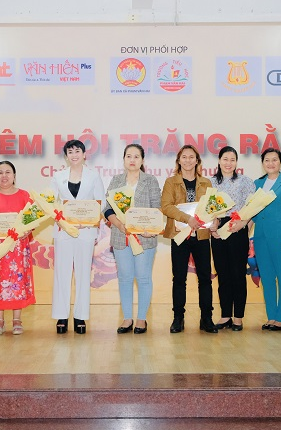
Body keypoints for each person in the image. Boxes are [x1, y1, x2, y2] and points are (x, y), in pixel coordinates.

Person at [104, 144, 161, 334]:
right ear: (123, 159)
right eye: (129, 156)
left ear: (142, 160)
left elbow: (157, 208)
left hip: (145, 237)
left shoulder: (150, 180)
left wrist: (150, 228)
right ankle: (127, 318)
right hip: (121, 237)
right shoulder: (116, 180)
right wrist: (119, 224)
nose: (132, 160)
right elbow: (107, 208)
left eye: (136, 156)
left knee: (143, 278)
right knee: (125, 278)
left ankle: (141, 319)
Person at [161, 145, 218, 334]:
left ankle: (206, 318)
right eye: (184, 157)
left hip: (201, 236)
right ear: (178, 160)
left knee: (205, 279)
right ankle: (178, 318)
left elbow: (212, 208)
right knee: (179, 279)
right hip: (180, 236)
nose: (187, 160)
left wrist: (215, 220)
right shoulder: (171, 182)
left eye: (191, 157)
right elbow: (166, 206)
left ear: (197, 161)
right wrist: (188, 219)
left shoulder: (206, 183)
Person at [51, 140, 105, 335]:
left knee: (83, 274)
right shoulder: (57, 176)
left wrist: (87, 220)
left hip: (86, 231)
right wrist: (61, 219)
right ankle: (61, 316)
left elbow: (101, 202)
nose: (74, 155)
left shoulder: (93, 176)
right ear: (66, 156)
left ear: (84, 154)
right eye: (70, 152)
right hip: (63, 231)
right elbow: (51, 203)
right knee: (62, 274)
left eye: (77, 151)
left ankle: (80, 316)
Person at [0, 161, 36, 335]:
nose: (4, 176)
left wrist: (27, 231)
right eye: (0, 172)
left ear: (14, 175)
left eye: (8, 172)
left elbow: (32, 219)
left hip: (18, 248)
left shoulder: (25, 196)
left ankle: (17, 320)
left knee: (18, 281)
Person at [252, 148, 281, 331]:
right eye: (267, 160)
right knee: (267, 277)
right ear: (262, 163)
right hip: (261, 237)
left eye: (274, 160)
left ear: (280, 162)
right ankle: (271, 316)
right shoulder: (257, 183)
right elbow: (252, 213)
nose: (270, 163)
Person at [209, 146, 256, 331]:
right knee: (223, 274)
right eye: (225, 159)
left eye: (232, 160)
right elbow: (206, 209)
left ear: (236, 162)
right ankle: (225, 315)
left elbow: (252, 208)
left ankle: (238, 317)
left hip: (238, 228)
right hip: (218, 230)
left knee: (238, 274)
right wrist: (212, 226)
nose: (228, 163)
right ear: (219, 161)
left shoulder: (245, 181)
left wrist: (244, 225)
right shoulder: (210, 182)